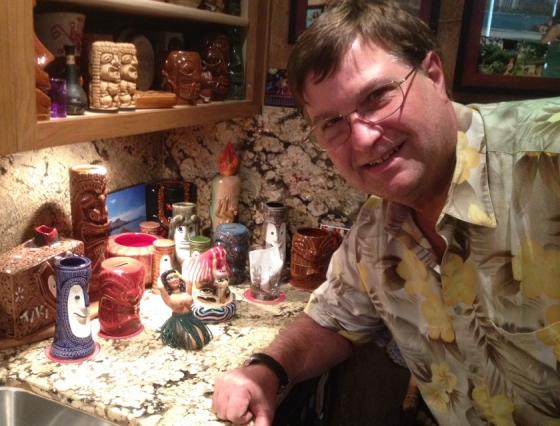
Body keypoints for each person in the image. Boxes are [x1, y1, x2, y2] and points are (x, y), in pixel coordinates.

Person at [212, 0, 560, 425]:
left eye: (377, 96)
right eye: (332, 123)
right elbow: (332, 319)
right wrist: (265, 370)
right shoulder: (377, 233)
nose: (361, 138)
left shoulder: (546, 163)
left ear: (435, 76)